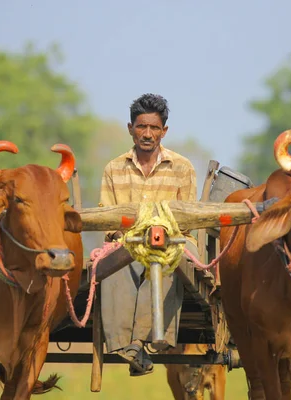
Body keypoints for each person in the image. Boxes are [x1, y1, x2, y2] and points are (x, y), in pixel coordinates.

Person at [99, 93, 199, 376]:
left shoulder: (182, 167)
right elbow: (107, 218)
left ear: (164, 132)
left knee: (166, 262)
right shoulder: (113, 168)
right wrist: (129, 236)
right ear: (130, 128)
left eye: (154, 128)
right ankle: (124, 343)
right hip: (127, 243)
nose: (147, 133)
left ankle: (146, 340)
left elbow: (188, 221)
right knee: (114, 264)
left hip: (171, 243)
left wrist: (161, 235)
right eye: (141, 126)